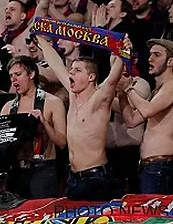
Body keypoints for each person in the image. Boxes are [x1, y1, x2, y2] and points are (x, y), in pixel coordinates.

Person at [36, 35, 127, 201]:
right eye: (71, 70)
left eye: (77, 71)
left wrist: (123, 51)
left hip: (97, 179)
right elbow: (56, 64)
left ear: (91, 77)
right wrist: (40, 36)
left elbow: (113, 79)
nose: (70, 73)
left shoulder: (99, 99)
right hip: (73, 179)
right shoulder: (72, 95)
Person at [117, 39, 173, 194]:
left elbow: (148, 110)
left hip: (161, 165)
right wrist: (122, 93)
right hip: (150, 165)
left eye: (156, 55)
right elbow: (131, 120)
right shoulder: (158, 91)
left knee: (156, 217)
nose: (150, 59)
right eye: (150, 55)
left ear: (170, 61)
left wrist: (129, 87)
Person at [0, 56, 67, 199]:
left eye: (18, 74)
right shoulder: (8, 107)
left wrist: (44, 123)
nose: (14, 80)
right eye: (11, 76)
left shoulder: (53, 102)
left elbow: (62, 142)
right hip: (16, 172)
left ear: (31, 74)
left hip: (43, 171)